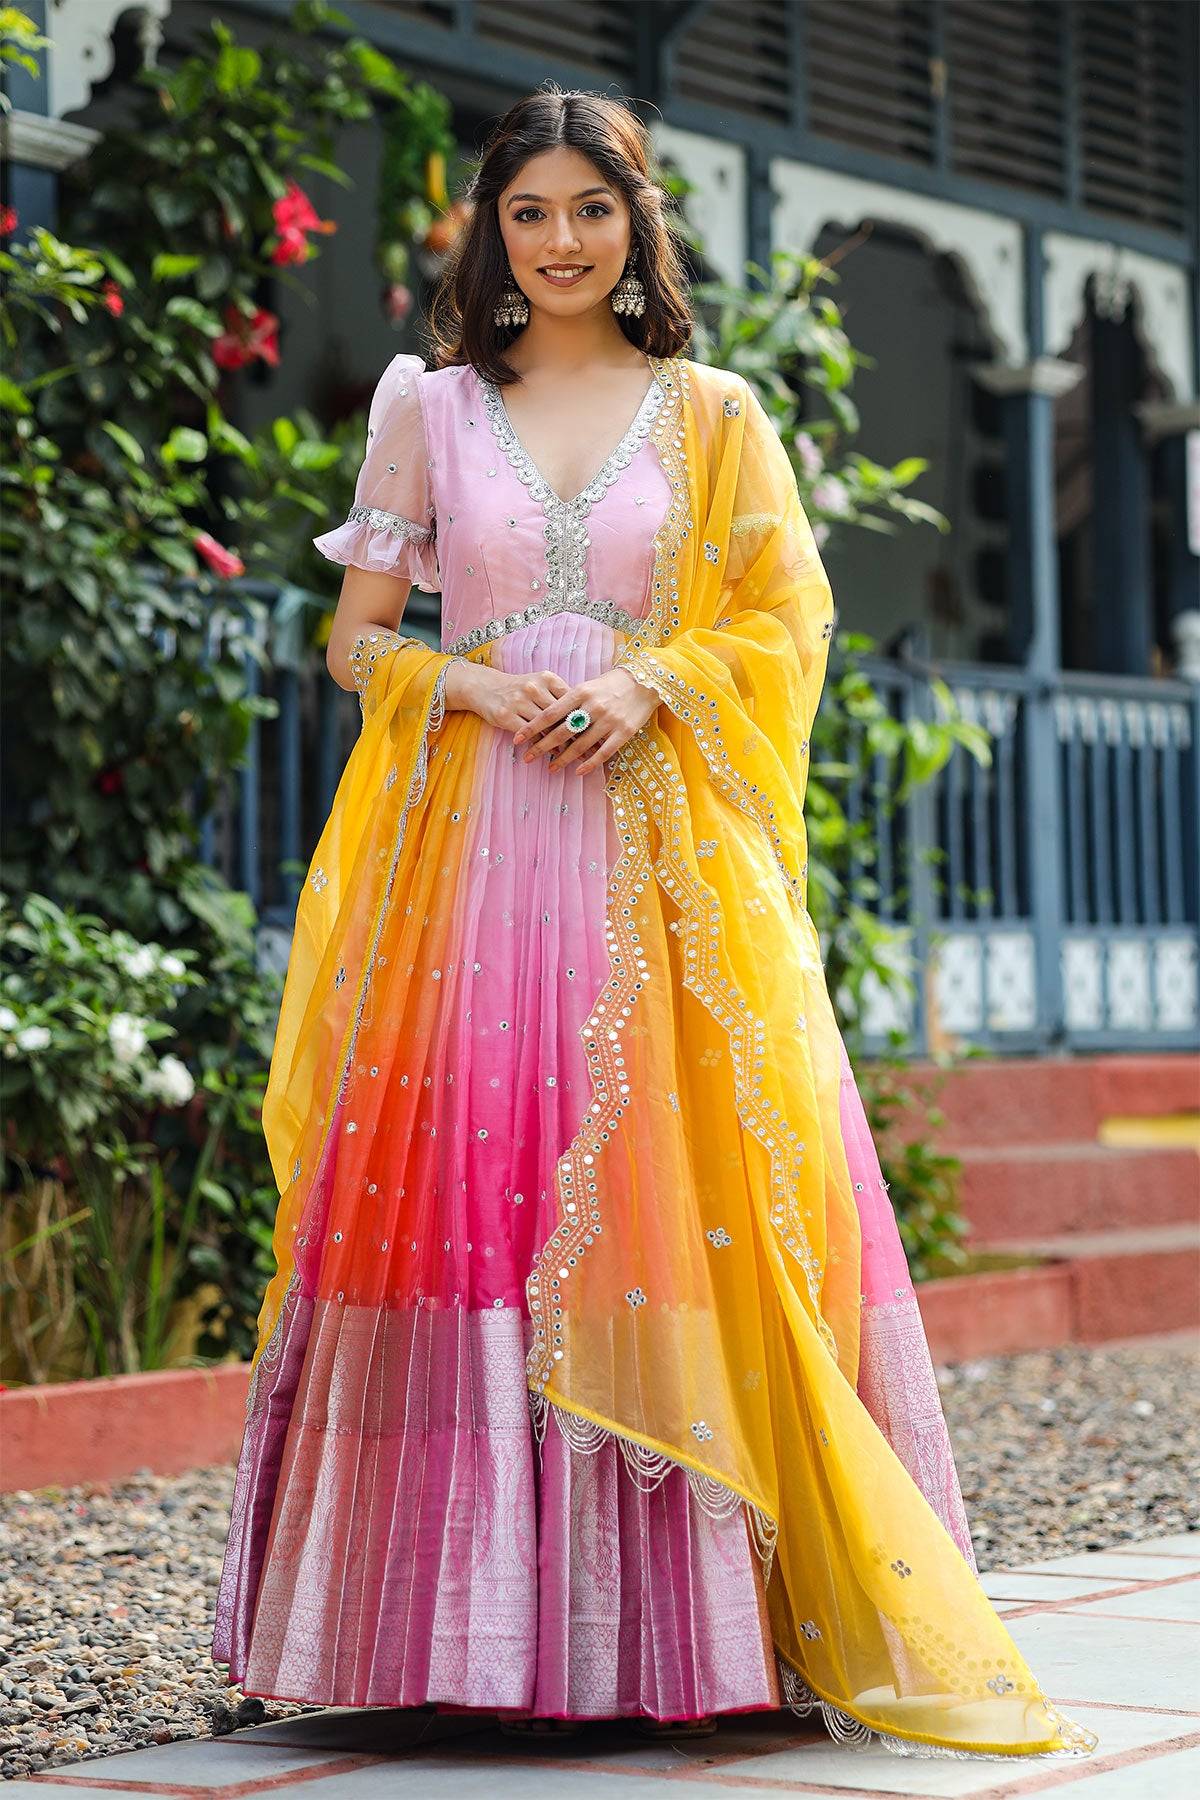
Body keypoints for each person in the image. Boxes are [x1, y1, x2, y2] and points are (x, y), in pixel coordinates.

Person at [211, 85, 1098, 1764]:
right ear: (489, 228)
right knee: (470, 1186)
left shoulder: (713, 413)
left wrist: (648, 681)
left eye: (588, 210)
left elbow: (789, 612)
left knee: (677, 1197)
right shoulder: (432, 407)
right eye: (527, 211)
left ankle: (695, 1637)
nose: (556, 242)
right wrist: (468, 681)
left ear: (637, 223)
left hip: (654, 857)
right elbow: (355, 641)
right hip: (468, 857)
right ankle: (450, 1635)